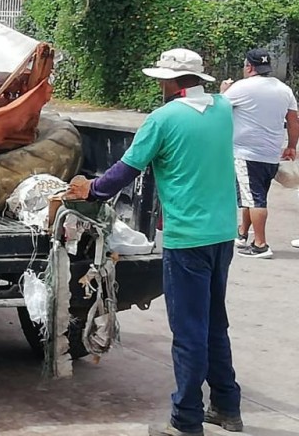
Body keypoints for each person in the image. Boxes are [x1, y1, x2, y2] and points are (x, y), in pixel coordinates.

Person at [65, 49, 242, 436]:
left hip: (187, 238)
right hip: (223, 234)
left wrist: (89, 191)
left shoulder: (162, 119)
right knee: (214, 322)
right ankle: (227, 407)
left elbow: (123, 172)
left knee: (189, 330)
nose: (159, 86)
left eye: (162, 79)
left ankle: (186, 420)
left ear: (172, 82)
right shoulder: (223, 108)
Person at [220, 48, 298, 259]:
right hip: (271, 154)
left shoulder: (240, 88)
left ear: (249, 66)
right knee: (254, 195)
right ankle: (243, 233)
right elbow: (293, 120)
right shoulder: (284, 89)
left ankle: (261, 244)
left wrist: (223, 91)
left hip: (247, 154)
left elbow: (218, 110)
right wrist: (292, 146)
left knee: (254, 199)